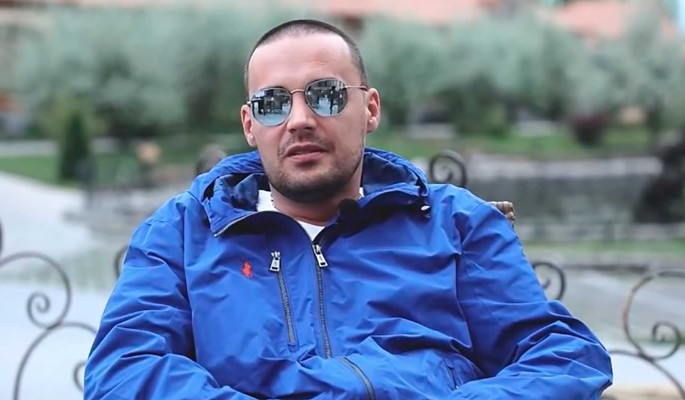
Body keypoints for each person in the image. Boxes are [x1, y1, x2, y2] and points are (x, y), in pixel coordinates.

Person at [85, 19, 613, 399]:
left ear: (370, 108)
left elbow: (562, 356)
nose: (299, 120)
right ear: (250, 125)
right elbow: (123, 371)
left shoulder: (455, 223)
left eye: (326, 96)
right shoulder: (183, 232)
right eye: (273, 103)